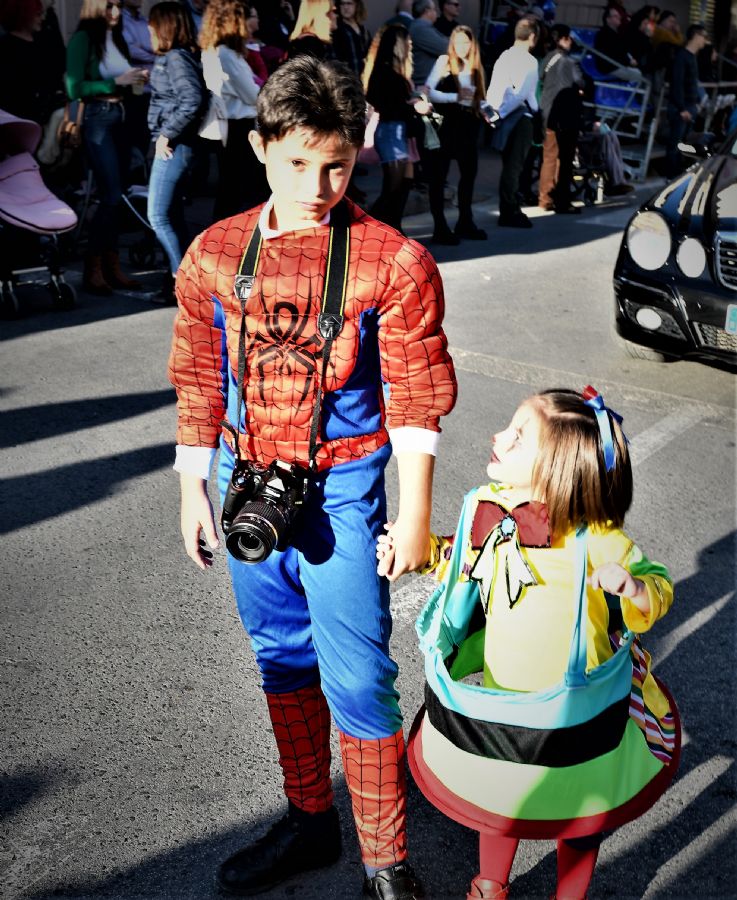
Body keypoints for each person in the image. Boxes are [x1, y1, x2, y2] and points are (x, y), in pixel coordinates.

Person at [168, 55, 457, 900]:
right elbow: (197, 374)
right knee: (280, 655)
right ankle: (307, 819)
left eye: (336, 163)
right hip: (243, 474)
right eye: (298, 162)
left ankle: (385, 862)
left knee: (360, 671)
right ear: (260, 148)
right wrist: (192, 485)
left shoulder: (392, 262)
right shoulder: (215, 253)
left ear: (358, 148)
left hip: (343, 486)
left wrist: (413, 514)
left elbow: (414, 393)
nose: (320, 183)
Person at [378, 387, 679, 900]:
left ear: (558, 469)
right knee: (501, 799)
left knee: (582, 812)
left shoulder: (598, 537)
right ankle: (490, 884)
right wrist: (423, 554)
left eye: (519, 437)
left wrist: (632, 588)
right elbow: (464, 565)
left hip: (577, 712)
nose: (499, 436)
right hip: (504, 699)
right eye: (508, 427)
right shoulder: (491, 510)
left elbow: (657, 587)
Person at [65, 0, 147, 294]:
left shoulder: (117, 38)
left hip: (122, 116)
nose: (114, 12)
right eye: (108, 6)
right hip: (98, 119)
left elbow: (120, 77)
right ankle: (94, 267)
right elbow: (74, 87)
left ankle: (112, 266)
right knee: (110, 194)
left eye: (117, 6)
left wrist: (135, 77)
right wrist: (115, 81)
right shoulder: (83, 38)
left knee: (118, 194)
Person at [146, 0, 205, 304]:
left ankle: (178, 282)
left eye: (152, 23)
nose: (148, 29)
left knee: (157, 215)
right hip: (179, 145)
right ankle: (184, 280)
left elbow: (192, 99)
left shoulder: (176, 59)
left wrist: (166, 133)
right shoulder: (180, 57)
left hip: (173, 146)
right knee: (173, 215)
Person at [200, 0, 268, 220]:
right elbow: (253, 95)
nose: (254, 26)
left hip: (232, 124)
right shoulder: (226, 54)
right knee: (237, 189)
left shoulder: (219, 51)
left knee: (232, 189)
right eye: (248, 19)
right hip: (237, 127)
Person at [364, 24, 431, 231]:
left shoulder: (394, 72)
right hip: (391, 131)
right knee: (392, 188)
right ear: (398, 46)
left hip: (400, 132)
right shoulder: (384, 71)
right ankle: (365, 231)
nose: (410, 46)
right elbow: (382, 103)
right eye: (408, 43)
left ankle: (395, 229)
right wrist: (411, 106)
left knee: (404, 184)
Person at [426, 25, 488, 242]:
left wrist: (485, 108)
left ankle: (465, 221)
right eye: (458, 42)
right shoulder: (444, 62)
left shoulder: (476, 67)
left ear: (472, 44)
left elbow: (478, 98)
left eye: (466, 42)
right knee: (438, 177)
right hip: (447, 125)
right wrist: (455, 96)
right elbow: (428, 91)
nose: (462, 47)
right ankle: (440, 227)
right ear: (452, 43)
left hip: (470, 124)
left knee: (469, 175)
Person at [486, 16, 539, 228]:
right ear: (533, 36)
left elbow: (494, 90)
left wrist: (495, 113)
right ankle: (509, 210)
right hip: (519, 118)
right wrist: (507, 112)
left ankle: (509, 206)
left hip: (502, 116)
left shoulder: (504, 57)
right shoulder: (530, 61)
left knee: (509, 165)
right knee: (515, 167)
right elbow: (524, 95)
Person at [538, 23, 584, 213]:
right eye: (568, 38)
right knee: (564, 160)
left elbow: (541, 78)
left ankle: (545, 198)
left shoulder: (547, 59)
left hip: (547, 113)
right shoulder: (570, 62)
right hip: (566, 116)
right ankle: (561, 199)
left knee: (548, 157)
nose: (571, 41)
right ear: (563, 39)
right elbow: (581, 83)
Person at [0, 0, 65, 125]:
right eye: (38, 14)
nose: (42, 18)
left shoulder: (43, 44)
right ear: (24, 15)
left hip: (44, 118)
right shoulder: (6, 49)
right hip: (21, 121)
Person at [665, 23, 707, 177]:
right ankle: (671, 173)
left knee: (684, 143)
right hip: (680, 108)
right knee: (675, 143)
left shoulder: (692, 57)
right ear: (696, 36)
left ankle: (678, 171)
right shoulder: (682, 57)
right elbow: (677, 84)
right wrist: (682, 108)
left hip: (689, 105)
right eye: (703, 36)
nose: (705, 40)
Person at [594, 6, 645, 81]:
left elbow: (623, 50)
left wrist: (630, 59)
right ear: (608, 19)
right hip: (610, 67)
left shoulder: (616, 34)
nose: (619, 17)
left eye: (619, 15)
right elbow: (613, 53)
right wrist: (628, 61)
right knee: (638, 74)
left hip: (617, 64)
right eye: (615, 16)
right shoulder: (604, 35)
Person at [409, 0, 449, 88]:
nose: (437, 13)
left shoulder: (423, 27)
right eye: (434, 9)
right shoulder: (421, 29)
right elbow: (446, 47)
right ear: (427, 11)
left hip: (426, 84)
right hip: (423, 85)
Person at [333, 0, 371, 75]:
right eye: (342, 4)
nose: (345, 7)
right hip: (346, 82)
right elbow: (333, 62)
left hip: (364, 82)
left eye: (349, 3)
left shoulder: (364, 31)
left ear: (357, 5)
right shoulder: (336, 30)